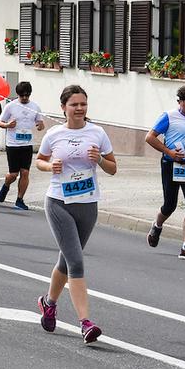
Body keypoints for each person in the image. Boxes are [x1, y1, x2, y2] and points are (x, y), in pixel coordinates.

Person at [35, 85, 117, 344]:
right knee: (76, 262)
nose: (80, 109)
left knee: (66, 260)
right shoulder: (54, 134)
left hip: (88, 204)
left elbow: (113, 168)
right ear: (64, 107)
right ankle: (85, 323)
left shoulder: (98, 133)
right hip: (59, 201)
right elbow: (39, 160)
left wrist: (99, 160)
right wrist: (50, 166)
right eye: (74, 104)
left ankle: (48, 303)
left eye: (83, 104)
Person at [145, 85, 185, 261]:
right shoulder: (169, 117)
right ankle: (157, 225)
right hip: (171, 165)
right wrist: (168, 152)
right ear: (180, 101)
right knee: (170, 205)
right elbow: (149, 137)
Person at [0, 81, 46, 210]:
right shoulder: (10, 106)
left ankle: (19, 199)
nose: (24, 98)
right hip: (13, 144)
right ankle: (6, 185)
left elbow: (40, 123)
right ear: (18, 94)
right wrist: (7, 125)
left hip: (27, 144)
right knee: (13, 174)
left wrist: (40, 126)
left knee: (25, 172)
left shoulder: (34, 107)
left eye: (27, 95)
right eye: (22, 95)